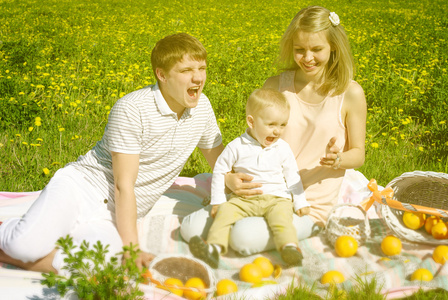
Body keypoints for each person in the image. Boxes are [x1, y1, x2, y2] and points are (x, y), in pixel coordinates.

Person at [0, 33, 224, 274]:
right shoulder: (132, 108)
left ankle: (11, 252)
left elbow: (220, 163)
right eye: (186, 70)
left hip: (116, 215)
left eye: (202, 68)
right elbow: (123, 185)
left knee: (108, 268)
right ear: (162, 75)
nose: (198, 77)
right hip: (82, 188)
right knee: (25, 246)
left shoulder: (203, 108)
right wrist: (132, 247)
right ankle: (10, 233)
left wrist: (232, 179)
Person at [181, 6, 367, 257]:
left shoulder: (350, 93)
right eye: (299, 49)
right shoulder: (276, 85)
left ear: (333, 47)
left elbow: (359, 154)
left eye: (316, 49)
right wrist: (230, 179)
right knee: (189, 227)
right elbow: (250, 140)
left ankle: (300, 230)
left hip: (308, 204)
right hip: (261, 190)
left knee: (243, 237)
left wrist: (339, 159)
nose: (307, 57)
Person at [188, 88, 310, 268]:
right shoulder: (237, 146)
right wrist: (218, 201)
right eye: (271, 125)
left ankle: (290, 248)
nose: (277, 131)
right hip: (244, 199)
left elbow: (292, 176)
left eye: (283, 125)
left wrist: (300, 201)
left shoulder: (282, 148)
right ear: (251, 122)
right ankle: (213, 248)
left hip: (277, 199)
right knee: (224, 214)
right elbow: (220, 170)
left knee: (282, 220)